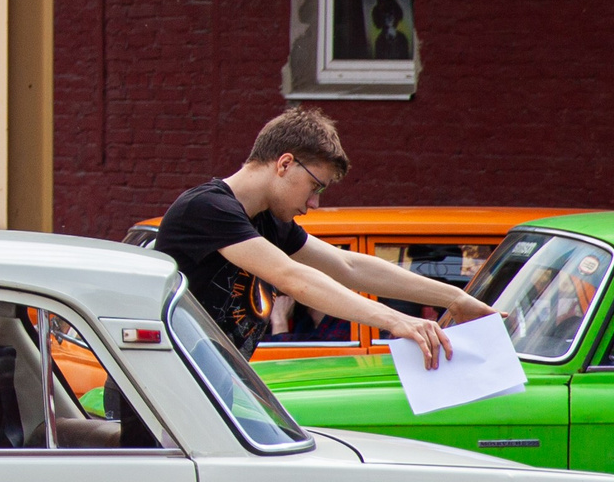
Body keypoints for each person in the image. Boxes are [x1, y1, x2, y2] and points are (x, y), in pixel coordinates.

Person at [152, 107, 489, 370]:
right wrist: (397, 320)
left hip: (206, 384)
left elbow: (348, 265)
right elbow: (293, 278)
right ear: (285, 164)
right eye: (315, 187)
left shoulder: (268, 220)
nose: (314, 204)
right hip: (165, 388)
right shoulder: (207, 209)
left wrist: (455, 298)